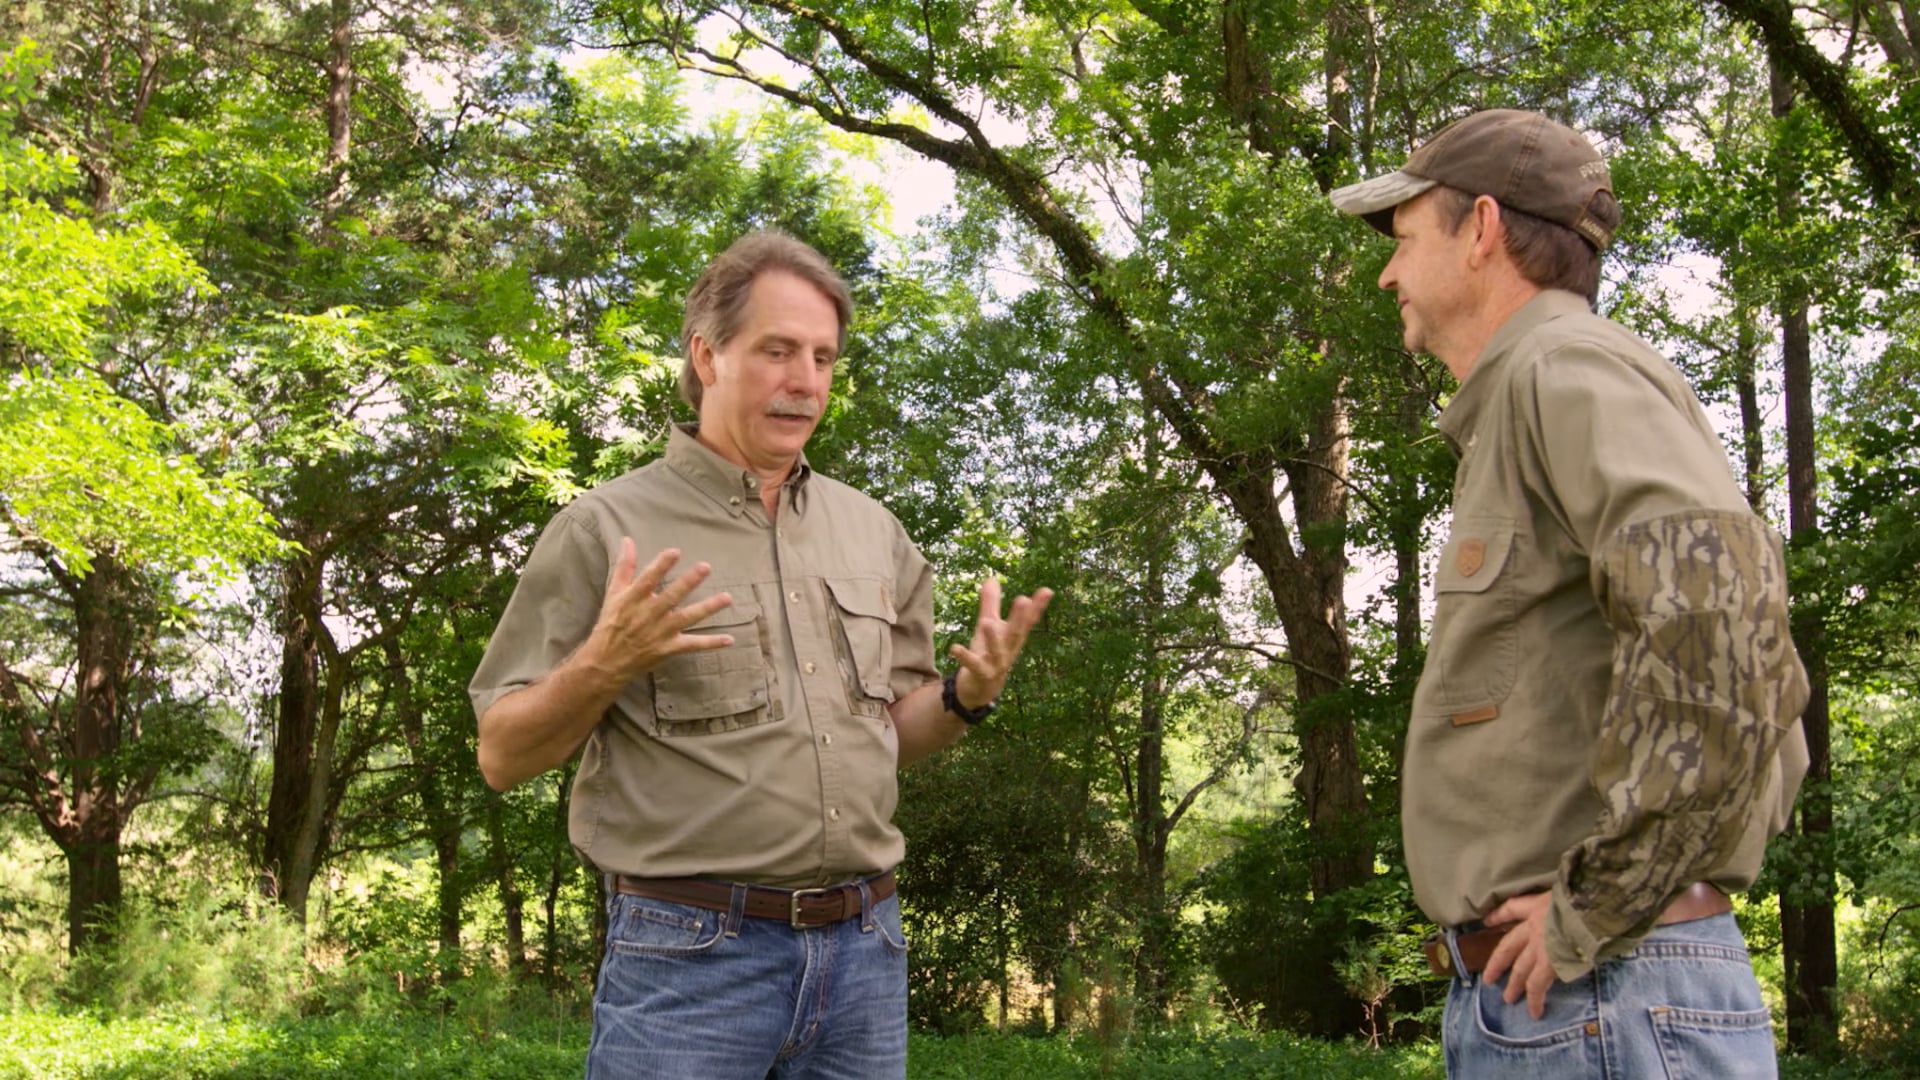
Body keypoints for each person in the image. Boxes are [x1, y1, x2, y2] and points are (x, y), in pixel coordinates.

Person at [469, 230, 1052, 1079]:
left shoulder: (872, 531)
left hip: (864, 954)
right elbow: (501, 754)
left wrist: (967, 695)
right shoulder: (602, 530)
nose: (805, 381)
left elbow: (897, 733)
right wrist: (606, 661)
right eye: (778, 350)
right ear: (707, 355)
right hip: (689, 960)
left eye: (821, 357)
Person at [1330, 109, 1810, 1077]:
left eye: (1406, 239)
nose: (1386, 274)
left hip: (1605, 999)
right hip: (1581, 1005)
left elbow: (1720, 618)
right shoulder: (1527, 395)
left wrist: (1597, 903)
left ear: (1483, 229)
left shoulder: (1565, 368)